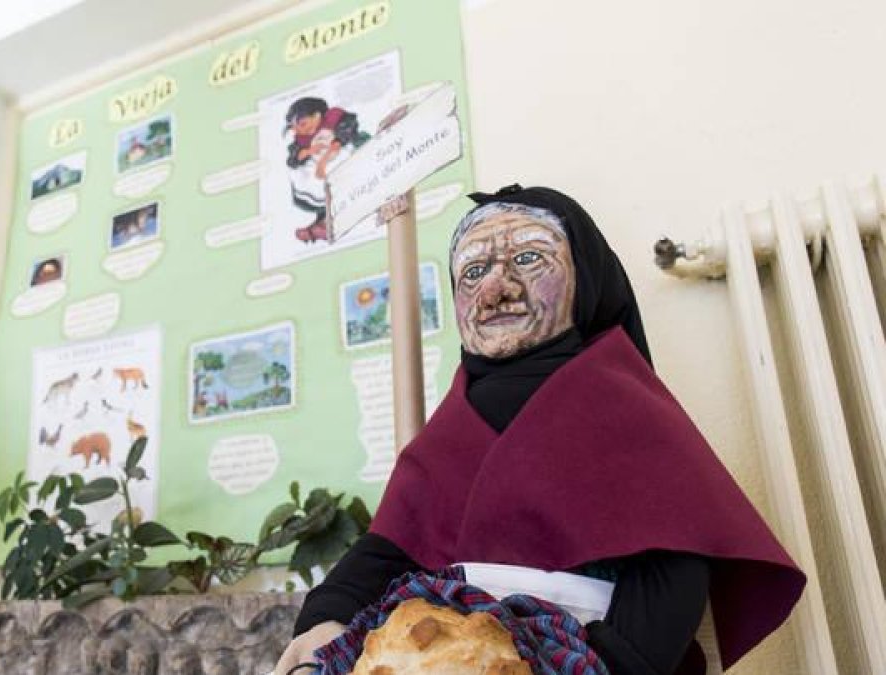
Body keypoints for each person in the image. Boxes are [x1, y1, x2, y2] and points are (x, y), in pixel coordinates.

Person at [275, 185, 804, 675]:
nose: (495, 290)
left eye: (528, 259)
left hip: (580, 646)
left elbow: (672, 558)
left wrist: (619, 660)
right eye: (473, 270)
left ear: (586, 281)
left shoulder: (626, 409)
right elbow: (390, 547)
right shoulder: (450, 427)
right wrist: (326, 617)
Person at [283, 97, 371, 244]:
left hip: (339, 154)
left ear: (317, 116)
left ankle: (331, 222)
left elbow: (337, 145)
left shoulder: (334, 120)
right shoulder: (302, 138)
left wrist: (321, 164)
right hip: (319, 160)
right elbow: (294, 157)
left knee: (331, 178)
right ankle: (320, 222)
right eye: (295, 128)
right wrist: (309, 151)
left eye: (303, 124)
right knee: (304, 178)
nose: (299, 130)